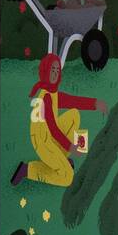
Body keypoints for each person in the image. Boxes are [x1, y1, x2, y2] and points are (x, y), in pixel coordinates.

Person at [10, 53, 108, 189]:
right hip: (42, 141)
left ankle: (60, 159)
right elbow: (54, 129)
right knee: (67, 177)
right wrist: (71, 147)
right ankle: (27, 170)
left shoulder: (51, 92)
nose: (55, 74)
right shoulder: (46, 97)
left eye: (57, 70)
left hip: (47, 135)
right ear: (45, 71)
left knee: (74, 114)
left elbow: (72, 101)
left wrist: (95, 103)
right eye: (52, 70)